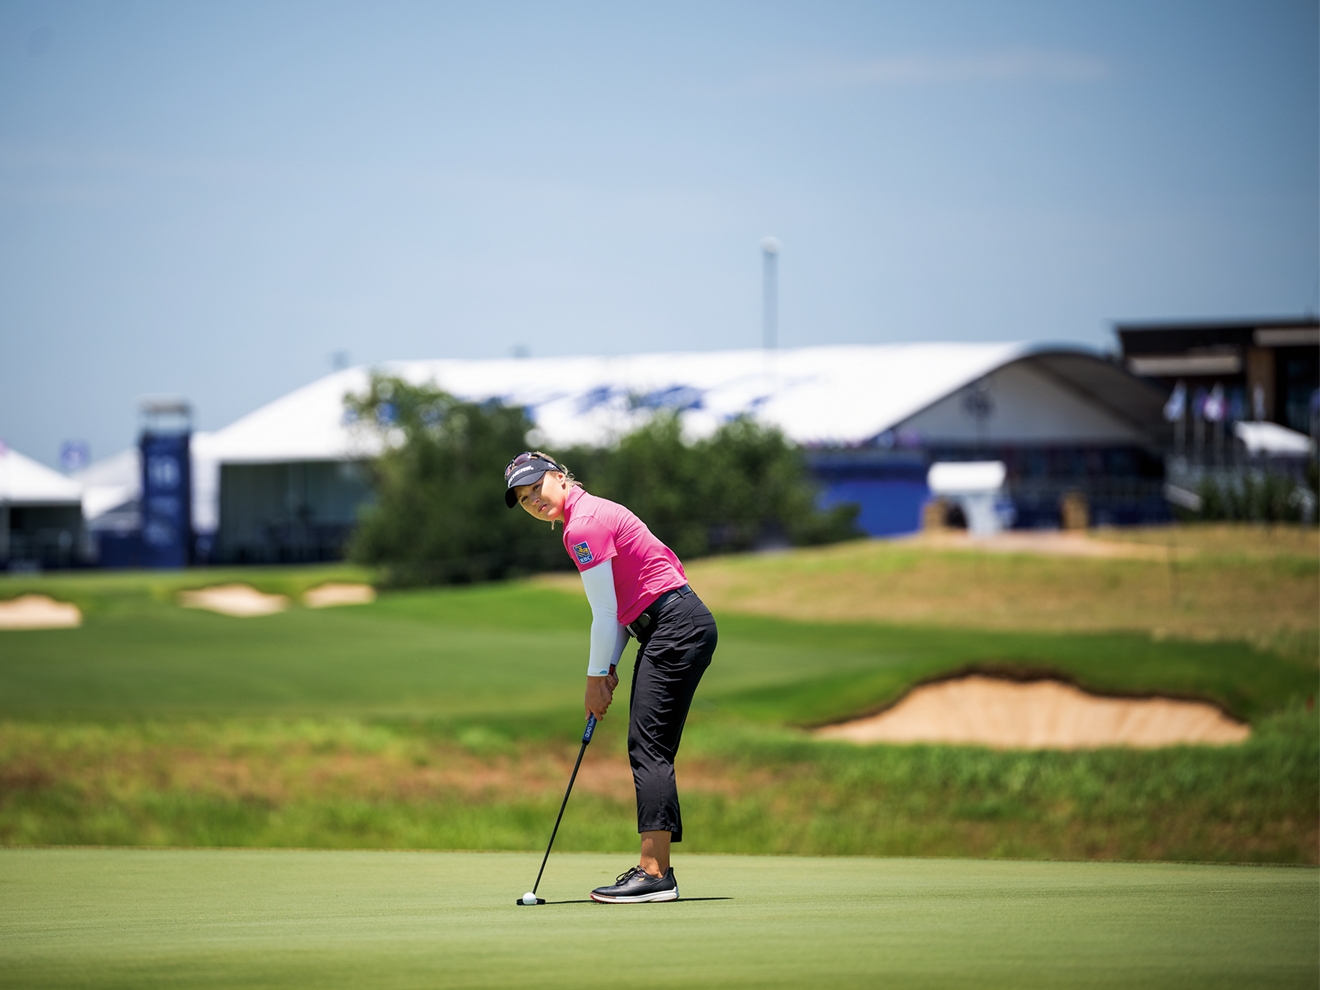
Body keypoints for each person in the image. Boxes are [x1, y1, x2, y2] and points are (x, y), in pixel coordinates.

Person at [504, 450, 717, 904]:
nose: (534, 501)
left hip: (674, 625)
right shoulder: (588, 514)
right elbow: (621, 611)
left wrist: (593, 678)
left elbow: (603, 614)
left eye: (536, 488)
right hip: (671, 624)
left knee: (648, 747)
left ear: (559, 477)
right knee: (651, 745)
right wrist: (609, 669)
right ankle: (657, 871)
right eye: (523, 500)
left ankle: (655, 874)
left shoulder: (582, 525)